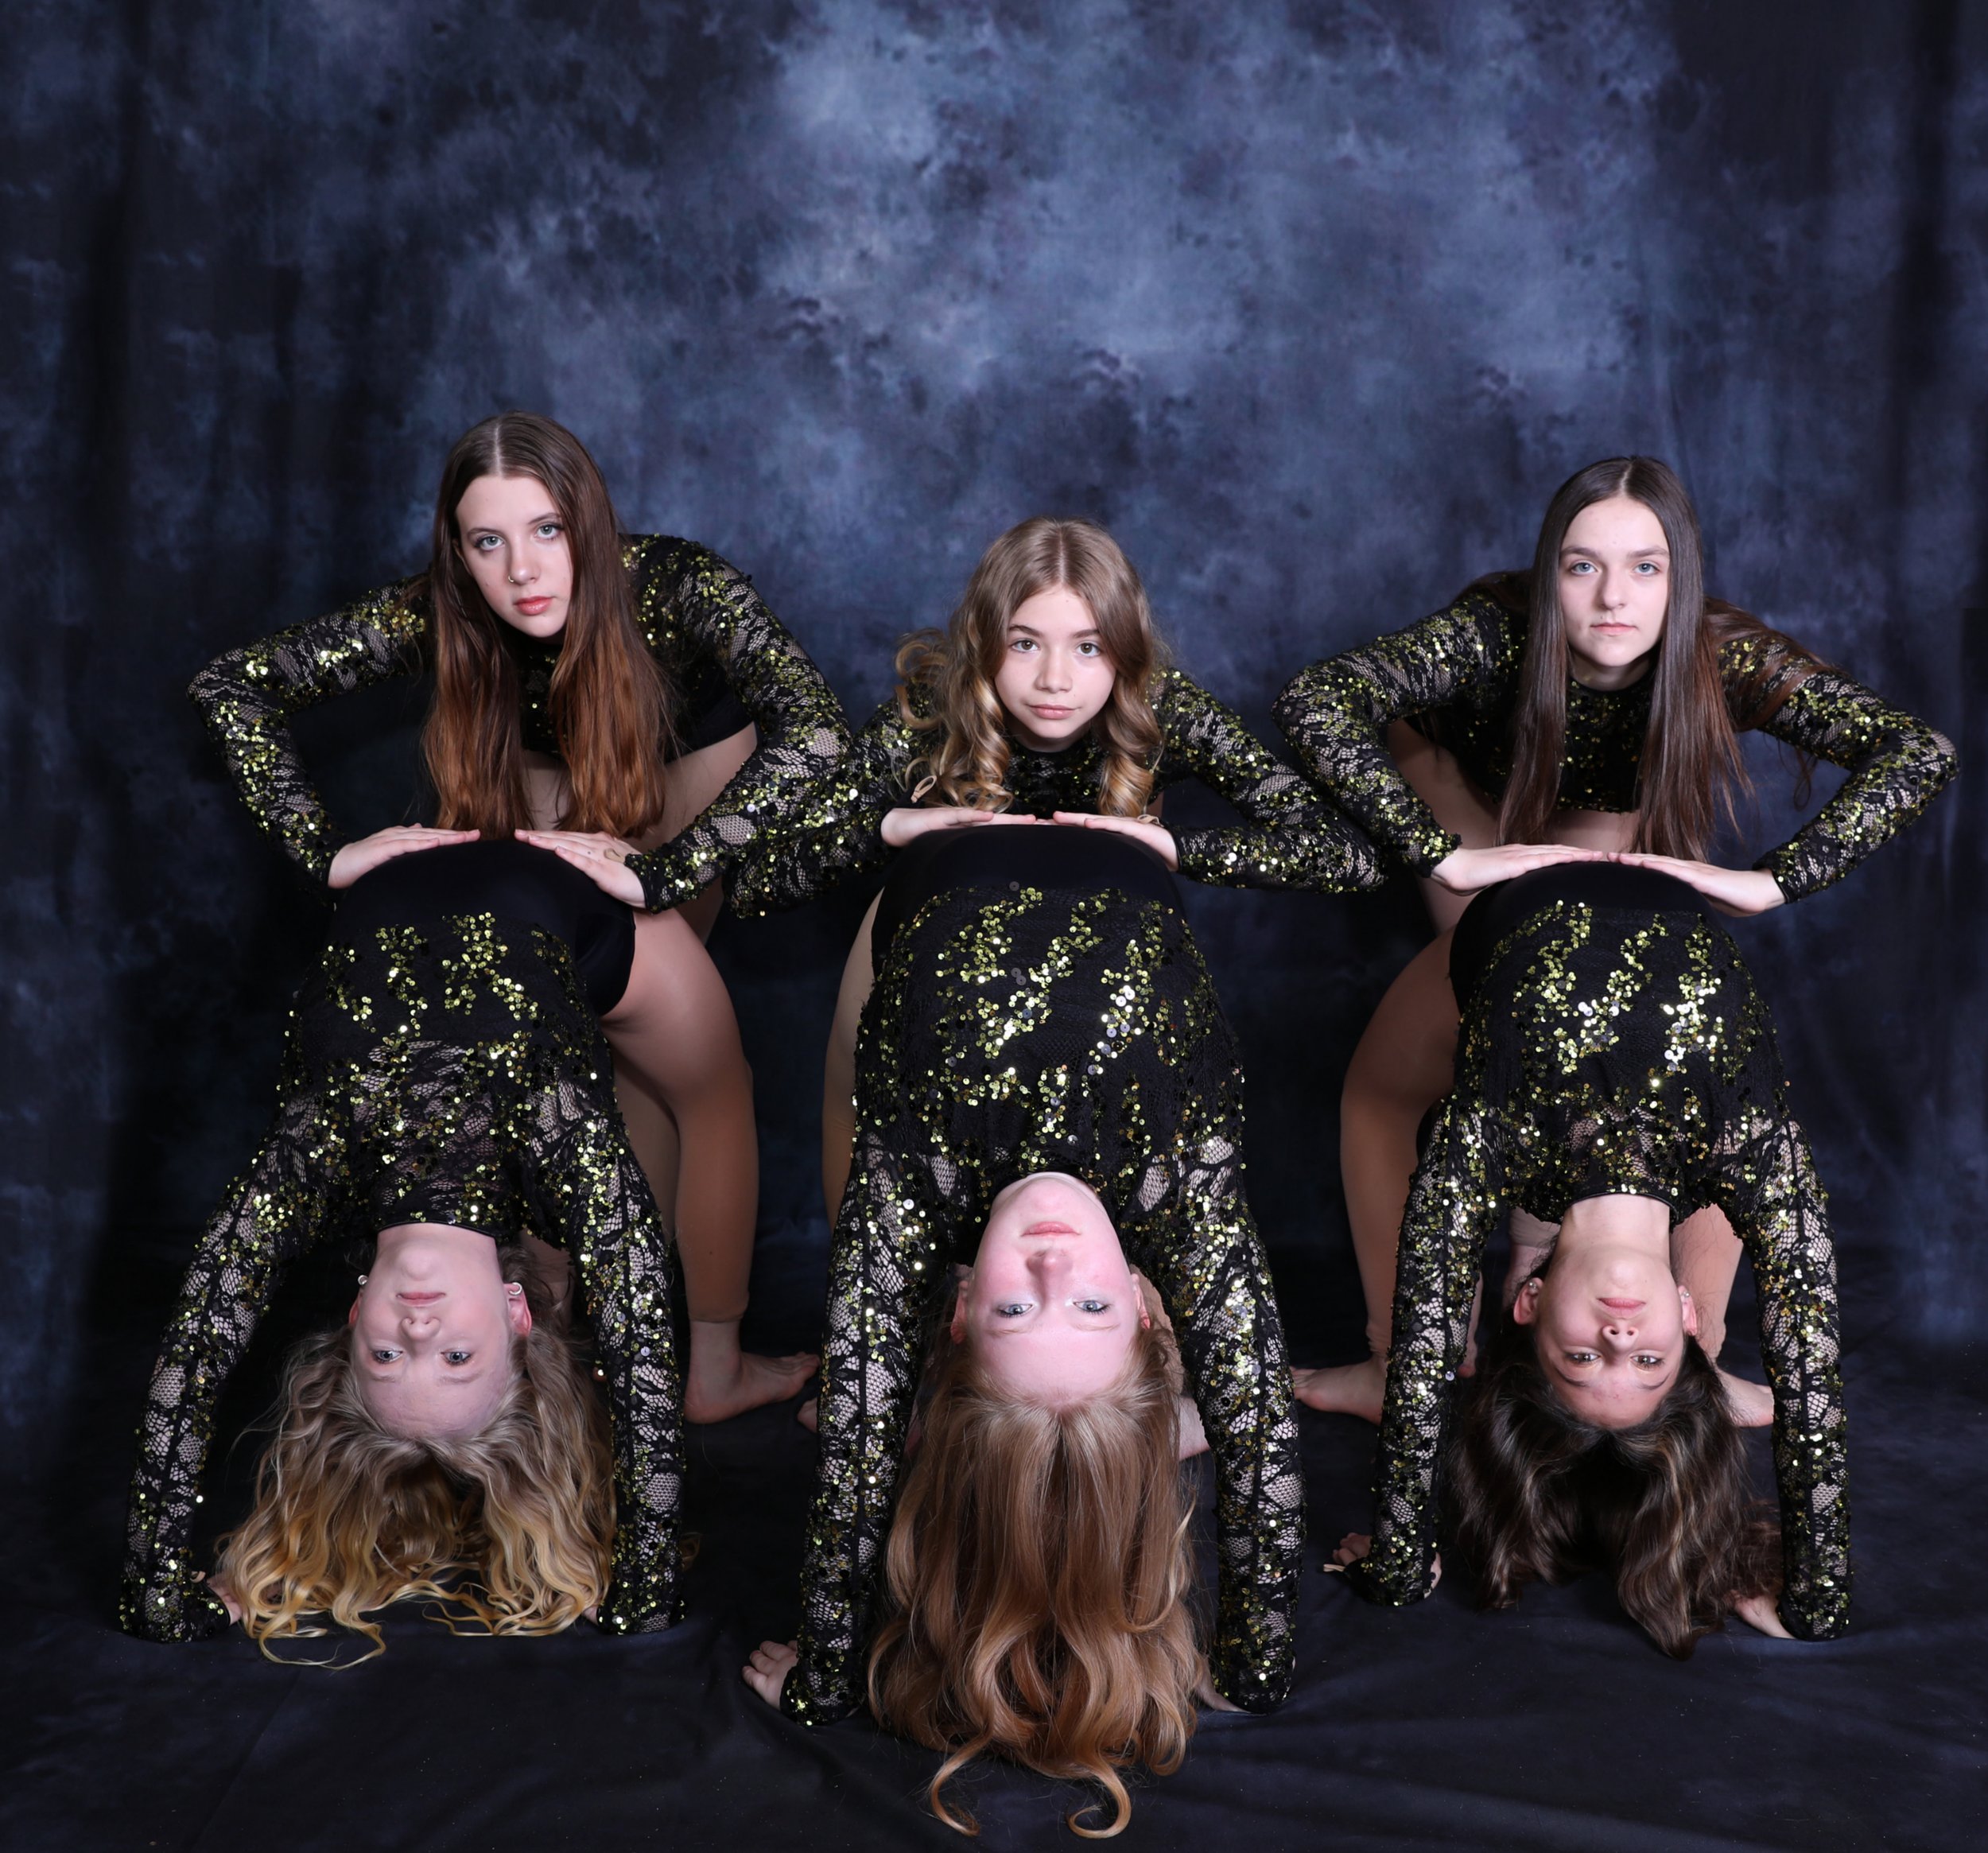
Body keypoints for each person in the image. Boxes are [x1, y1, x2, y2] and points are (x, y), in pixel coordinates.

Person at [190, 411, 850, 1420]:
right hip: (552, 790)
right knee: (575, 1045)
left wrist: (674, 869)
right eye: (487, 541)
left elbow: (818, 729)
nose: (524, 572)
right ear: (457, 549)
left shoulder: (678, 582)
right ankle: (562, 1331)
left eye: (547, 531)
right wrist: (324, 849)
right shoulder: (440, 611)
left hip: (691, 781)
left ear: (588, 521)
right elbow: (233, 686)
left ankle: (709, 1361)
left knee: (689, 1070)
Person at [1272, 455, 1956, 1420]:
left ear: (1682, 579)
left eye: (1645, 567)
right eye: (1582, 566)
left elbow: (1916, 750)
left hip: (1601, 814)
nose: (1611, 599)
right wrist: (1445, 856)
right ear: (1549, 571)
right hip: (1465, 780)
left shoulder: (1719, 654)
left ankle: (1697, 1352)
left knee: (1680, 1064)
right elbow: (1314, 697)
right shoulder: (1494, 636)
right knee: (1445, 1041)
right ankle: (1405, 1358)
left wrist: (1772, 880)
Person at [721, 823, 1336, 1836]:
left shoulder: (909, 1189)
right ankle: (1109, 1409)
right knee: (1150, 1402)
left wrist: (826, 1678)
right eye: (1088, 1306)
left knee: (864, 1269)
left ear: (958, 1311)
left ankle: (988, 1400)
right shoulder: (1188, 1193)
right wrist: (1250, 1667)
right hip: (1125, 822)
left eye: (1015, 1306)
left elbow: (850, 1470)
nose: (1053, 1261)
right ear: (1145, 1304)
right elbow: (1266, 1460)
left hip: (943, 843)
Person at [724, 514, 1388, 1218]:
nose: (1054, 680)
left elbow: (1348, 856)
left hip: (1112, 961)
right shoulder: (936, 705)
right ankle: (872, 1310)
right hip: (939, 956)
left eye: (1088, 648)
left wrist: (1181, 846)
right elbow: (757, 880)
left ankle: (1138, 1309)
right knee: (866, 1105)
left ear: (1125, 653)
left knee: (1143, 1126)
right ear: (984, 642)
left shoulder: (1160, 707)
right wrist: (890, 826)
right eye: (1024, 643)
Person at [121, 841, 685, 1656]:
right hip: (601, 914)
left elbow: (188, 1364)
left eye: (385, 1355)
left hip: (420, 833)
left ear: (357, 1314)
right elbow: (647, 1364)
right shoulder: (558, 1136)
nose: (418, 1333)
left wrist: (162, 1595)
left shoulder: (317, 1155)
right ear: (516, 1312)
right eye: (456, 1355)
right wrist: (645, 1591)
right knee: (713, 1089)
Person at [1334, 860, 1849, 1654]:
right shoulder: (1754, 1155)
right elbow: (1814, 1386)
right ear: (1686, 1319)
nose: (1616, 1339)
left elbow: (1422, 1354)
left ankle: (1536, 1247)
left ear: (1529, 1307)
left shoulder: (1479, 1146)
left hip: (1499, 895)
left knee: (1380, 1090)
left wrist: (1401, 1558)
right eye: (1647, 1360)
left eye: (1579, 1357)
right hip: (1661, 861)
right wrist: (1812, 1598)